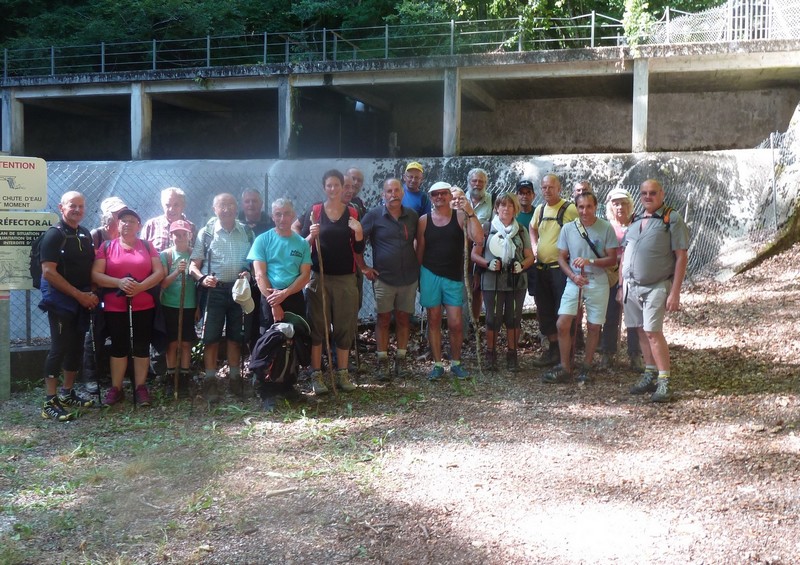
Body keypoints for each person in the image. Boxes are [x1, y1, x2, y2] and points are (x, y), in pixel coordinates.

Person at [295, 169, 365, 394]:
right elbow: (302, 245)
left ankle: (342, 374)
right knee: (318, 327)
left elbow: (358, 249)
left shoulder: (352, 212)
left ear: (343, 187)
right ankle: (316, 375)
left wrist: (359, 232)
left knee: (344, 327)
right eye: (329, 185)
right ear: (324, 187)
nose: (333, 189)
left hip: (345, 279)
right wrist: (311, 235)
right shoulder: (315, 211)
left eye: (337, 185)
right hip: (320, 278)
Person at [622, 179, 689, 403]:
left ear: (662, 194)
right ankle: (649, 373)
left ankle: (664, 381)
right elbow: (626, 253)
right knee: (641, 330)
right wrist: (621, 286)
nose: (648, 197)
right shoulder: (635, 219)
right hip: (631, 286)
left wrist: (675, 292)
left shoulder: (671, 218)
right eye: (644, 193)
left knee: (652, 331)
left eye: (652, 193)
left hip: (657, 285)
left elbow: (681, 256)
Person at [542, 193, 618, 384]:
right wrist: (573, 276)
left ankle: (586, 366)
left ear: (596, 207)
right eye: (581, 207)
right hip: (575, 281)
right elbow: (561, 257)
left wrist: (590, 261)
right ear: (576, 208)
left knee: (594, 326)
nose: (585, 211)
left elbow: (612, 259)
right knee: (562, 323)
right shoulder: (568, 228)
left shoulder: (606, 228)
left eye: (589, 206)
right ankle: (565, 367)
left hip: (598, 281)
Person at [92, 207, 164, 406]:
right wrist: (119, 283)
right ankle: (116, 388)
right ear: (118, 224)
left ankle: (140, 387)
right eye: (123, 220)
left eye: (132, 221)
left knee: (141, 345)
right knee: (118, 345)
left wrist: (141, 287)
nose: (127, 224)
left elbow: (159, 272)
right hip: (115, 307)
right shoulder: (107, 246)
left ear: (139, 226)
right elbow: (96, 275)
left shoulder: (147, 246)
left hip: (144, 305)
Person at [39, 191, 100, 421]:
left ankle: (67, 393)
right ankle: (49, 402)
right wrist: (79, 296)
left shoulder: (84, 233)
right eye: (72, 205)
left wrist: (92, 293)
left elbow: (90, 266)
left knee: (76, 346)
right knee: (59, 347)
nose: (77, 210)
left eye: (81, 206)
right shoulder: (54, 235)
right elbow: (48, 272)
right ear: (61, 207)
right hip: (60, 300)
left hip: (82, 298)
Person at [248, 198, 312, 407]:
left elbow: (305, 275)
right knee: (270, 342)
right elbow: (259, 274)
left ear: (293, 215)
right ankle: (266, 390)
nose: (282, 218)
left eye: (286, 214)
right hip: (270, 297)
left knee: (293, 341)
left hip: (293, 297)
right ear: (272, 216)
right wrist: (274, 303)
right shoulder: (263, 240)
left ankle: (288, 386)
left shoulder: (301, 243)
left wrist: (286, 293)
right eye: (278, 214)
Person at [189, 193, 255, 396]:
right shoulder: (206, 233)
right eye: (222, 205)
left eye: (230, 205)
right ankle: (210, 381)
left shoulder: (246, 232)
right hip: (214, 291)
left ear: (237, 208)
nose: (226, 209)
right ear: (214, 209)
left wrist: (249, 273)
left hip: (239, 291)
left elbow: (254, 262)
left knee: (236, 337)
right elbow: (193, 266)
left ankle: (235, 379)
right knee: (211, 338)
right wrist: (202, 278)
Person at [417, 182, 483, 381]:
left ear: (449, 195)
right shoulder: (424, 221)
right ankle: (437, 365)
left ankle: (456, 363)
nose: (439, 197)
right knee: (434, 320)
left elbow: (478, 238)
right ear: (431, 197)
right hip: (429, 273)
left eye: (443, 193)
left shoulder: (461, 216)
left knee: (456, 323)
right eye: (435, 194)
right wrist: (418, 276)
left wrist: (470, 211)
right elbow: (420, 249)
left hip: (453, 276)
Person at [360, 178, 420, 381]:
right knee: (383, 319)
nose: (393, 194)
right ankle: (382, 360)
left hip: (408, 278)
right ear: (383, 195)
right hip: (384, 278)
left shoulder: (412, 216)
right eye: (389, 191)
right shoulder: (373, 216)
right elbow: (357, 240)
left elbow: (420, 241)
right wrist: (363, 266)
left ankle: (401, 359)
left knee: (403, 319)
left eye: (396, 190)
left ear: (402, 193)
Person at [471, 193, 533, 371]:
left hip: (516, 281)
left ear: (515, 209)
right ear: (496, 208)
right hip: (492, 281)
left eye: (510, 205)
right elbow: (474, 255)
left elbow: (530, 256)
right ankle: (490, 354)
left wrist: (521, 265)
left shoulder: (521, 230)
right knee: (492, 318)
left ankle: (512, 355)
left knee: (514, 318)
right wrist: (487, 264)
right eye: (502, 205)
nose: (506, 209)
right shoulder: (486, 228)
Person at [81, 195, 128, 395]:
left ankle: (118, 374)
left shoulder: (126, 237)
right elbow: (88, 266)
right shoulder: (96, 235)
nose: (121, 216)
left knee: (120, 333)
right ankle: (91, 377)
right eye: (117, 213)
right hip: (98, 292)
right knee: (95, 335)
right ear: (108, 215)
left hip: (119, 292)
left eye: (123, 212)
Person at [530, 174, 578, 367]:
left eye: (551, 187)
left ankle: (568, 354)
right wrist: (535, 246)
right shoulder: (540, 210)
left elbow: (582, 230)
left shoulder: (570, 209)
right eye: (544, 187)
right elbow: (532, 228)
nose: (547, 190)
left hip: (561, 271)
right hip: (541, 268)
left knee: (563, 311)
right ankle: (553, 350)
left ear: (559, 188)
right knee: (545, 311)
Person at [597, 188, 642, 370]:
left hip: (633, 276)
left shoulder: (638, 224)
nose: (620, 207)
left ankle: (635, 354)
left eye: (623, 203)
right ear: (610, 206)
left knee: (634, 316)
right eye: (616, 204)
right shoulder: (606, 227)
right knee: (610, 315)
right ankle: (607, 353)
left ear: (629, 205)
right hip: (612, 275)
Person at [159, 220, 197, 396]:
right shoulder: (166, 255)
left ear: (189, 236)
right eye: (176, 234)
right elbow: (163, 283)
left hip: (189, 304)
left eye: (184, 234)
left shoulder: (194, 255)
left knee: (186, 342)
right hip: (170, 304)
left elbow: (198, 284)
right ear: (171, 236)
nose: (180, 237)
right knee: (172, 342)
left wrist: (197, 307)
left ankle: (184, 377)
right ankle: (171, 376)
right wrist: (177, 272)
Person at [466, 168, 493, 328]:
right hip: (462, 249)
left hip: (484, 248)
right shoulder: (459, 200)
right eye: (474, 181)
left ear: (486, 183)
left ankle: (474, 322)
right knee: (462, 285)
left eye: (481, 181)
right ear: (469, 182)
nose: (477, 184)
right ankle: (461, 321)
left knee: (478, 287)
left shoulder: (492, 200)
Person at [142, 187, 196, 253]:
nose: (171, 209)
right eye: (167, 205)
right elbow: (141, 252)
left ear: (183, 205)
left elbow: (197, 255)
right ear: (162, 205)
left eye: (176, 205)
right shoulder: (151, 225)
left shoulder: (191, 227)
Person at [515, 179, 537, 300]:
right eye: (521, 193)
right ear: (516, 195)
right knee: (516, 297)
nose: (525, 196)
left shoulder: (539, 213)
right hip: (517, 262)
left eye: (528, 193)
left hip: (535, 263)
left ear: (533, 195)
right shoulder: (511, 214)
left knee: (539, 297)